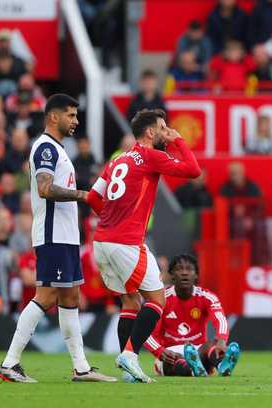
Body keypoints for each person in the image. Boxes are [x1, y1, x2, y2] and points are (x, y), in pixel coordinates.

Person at [0, 94, 116, 383]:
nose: (75, 121)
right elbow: (45, 189)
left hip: (65, 235)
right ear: (53, 116)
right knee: (47, 295)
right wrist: (84, 195)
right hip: (52, 234)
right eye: (70, 115)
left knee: (70, 295)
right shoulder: (46, 149)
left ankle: (81, 367)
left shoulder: (58, 149)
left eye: (76, 115)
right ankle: (9, 363)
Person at [86, 109, 201, 383]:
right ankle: (129, 355)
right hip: (127, 242)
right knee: (157, 300)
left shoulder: (117, 159)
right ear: (150, 133)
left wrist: (111, 219)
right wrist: (179, 141)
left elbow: (92, 197)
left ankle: (128, 371)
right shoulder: (150, 156)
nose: (166, 132)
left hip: (102, 242)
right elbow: (193, 170)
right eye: (163, 128)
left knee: (130, 301)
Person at [144, 253, 240, 377]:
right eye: (179, 269)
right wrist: (160, 351)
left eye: (189, 269)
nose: (184, 273)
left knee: (210, 346)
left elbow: (220, 319)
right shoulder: (161, 299)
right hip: (171, 351)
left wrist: (222, 341)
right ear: (172, 275)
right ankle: (193, 370)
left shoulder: (206, 297)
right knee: (175, 361)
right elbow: (147, 332)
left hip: (198, 350)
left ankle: (222, 366)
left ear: (196, 275)